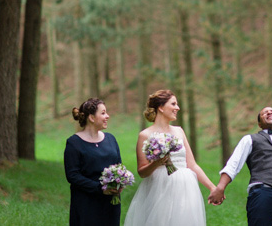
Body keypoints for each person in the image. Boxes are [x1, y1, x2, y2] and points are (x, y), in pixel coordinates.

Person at [124, 90, 216, 226]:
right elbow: (142, 172)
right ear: (161, 108)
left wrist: (212, 187)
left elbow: (192, 165)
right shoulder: (145, 135)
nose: (177, 108)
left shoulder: (179, 131)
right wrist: (156, 163)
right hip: (158, 187)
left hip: (185, 187)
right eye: (173, 104)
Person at [208, 107, 272, 226]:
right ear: (260, 124)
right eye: (264, 113)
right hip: (262, 194)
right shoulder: (249, 140)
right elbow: (234, 164)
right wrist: (220, 187)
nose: (269, 112)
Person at [64, 98, 123, 226]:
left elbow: (119, 167)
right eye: (103, 113)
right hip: (86, 203)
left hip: (111, 202)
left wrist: (120, 183)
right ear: (91, 117)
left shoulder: (111, 139)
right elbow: (73, 175)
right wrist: (100, 188)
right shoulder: (74, 143)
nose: (107, 116)